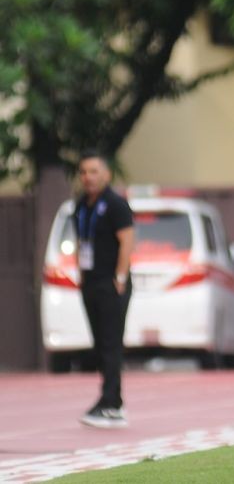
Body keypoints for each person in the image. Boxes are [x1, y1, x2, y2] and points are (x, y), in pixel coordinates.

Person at [74, 150, 134, 429]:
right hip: (91, 281)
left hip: (111, 283)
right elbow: (80, 242)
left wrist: (120, 277)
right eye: (84, 172)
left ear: (106, 174)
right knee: (99, 345)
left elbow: (126, 241)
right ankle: (112, 400)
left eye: (94, 171)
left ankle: (110, 402)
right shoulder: (81, 206)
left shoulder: (115, 205)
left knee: (111, 344)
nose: (88, 177)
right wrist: (80, 275)